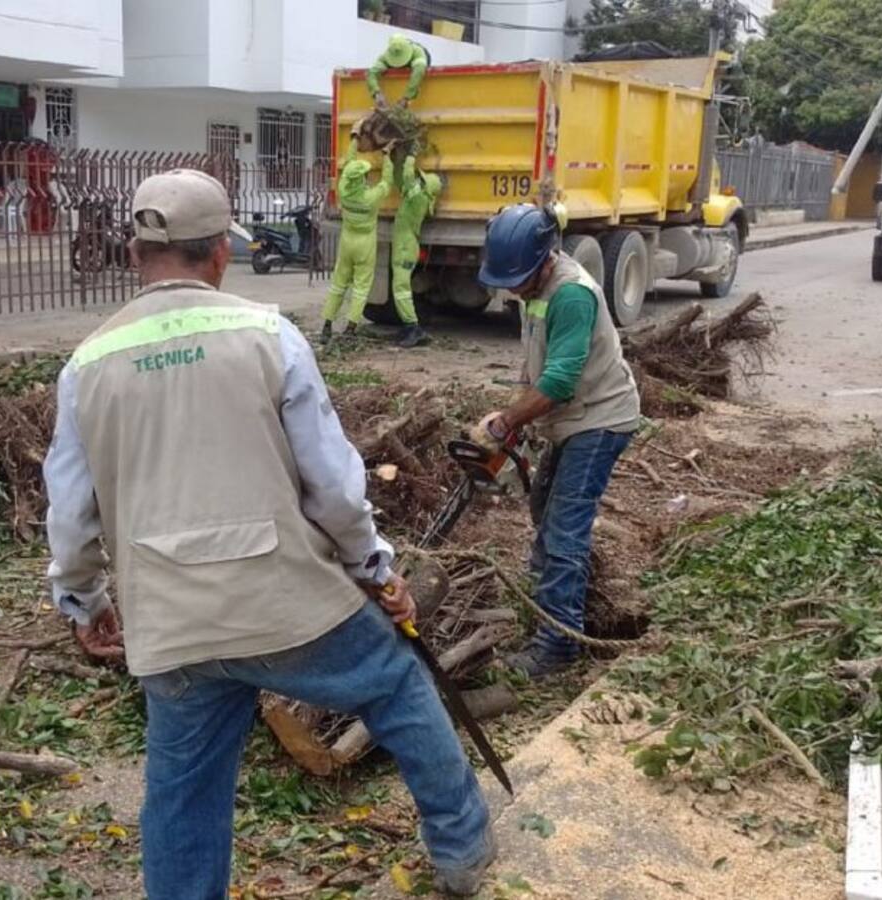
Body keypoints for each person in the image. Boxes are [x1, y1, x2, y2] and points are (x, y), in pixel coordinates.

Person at [43, 168, 494, 899]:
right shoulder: (267, 337)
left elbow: (68, 515)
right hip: (286, 602)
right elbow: (337, 488)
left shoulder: (86, 365)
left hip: (172, 620)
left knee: (182, 790)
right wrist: (376, 569)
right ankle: (463, 850)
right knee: (397, 686)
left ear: (134, 255)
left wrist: (85, 603)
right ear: (222, 252)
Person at [473, 204, 640, 679]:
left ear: (545, 258)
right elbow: (540, 367)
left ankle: (558, 645)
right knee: (543, 510)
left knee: (565, 527)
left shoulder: (571, 294)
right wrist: (517, 416)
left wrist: (507, 421)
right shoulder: (535, 289)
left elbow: (561, 379)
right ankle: (544, 607)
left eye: (519, 278)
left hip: (600, 419)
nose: (513, 288)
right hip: (570, 417)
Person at [320, 136, 394, 344]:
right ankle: (351, 328)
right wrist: (387, 156)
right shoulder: (370, 198)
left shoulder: (344, 191)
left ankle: (327, 324)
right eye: (365, 175)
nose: (368, 176)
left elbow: (347, 165)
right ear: (361, 179)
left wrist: (353, 138)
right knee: (361, 286)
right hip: (364, 245)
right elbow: (387, 181)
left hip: (347, 243)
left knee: (338, 284)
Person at [390, 155, 442, 348]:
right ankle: (409, 326)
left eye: (423, 180)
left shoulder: (417, 197)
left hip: (405, 246)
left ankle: (413, 328)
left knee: (401, 289)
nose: (419, 180)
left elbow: (406, 175)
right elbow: (401, 180)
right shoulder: (420, 198)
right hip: (407, 245)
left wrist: (410, 154)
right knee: (401, 288)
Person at [367, 34, 431, 110]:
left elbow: (419, 70)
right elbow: (372, 72)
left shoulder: (417, 52)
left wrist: (407, 97)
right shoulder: (384, 57)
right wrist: (377, 94)